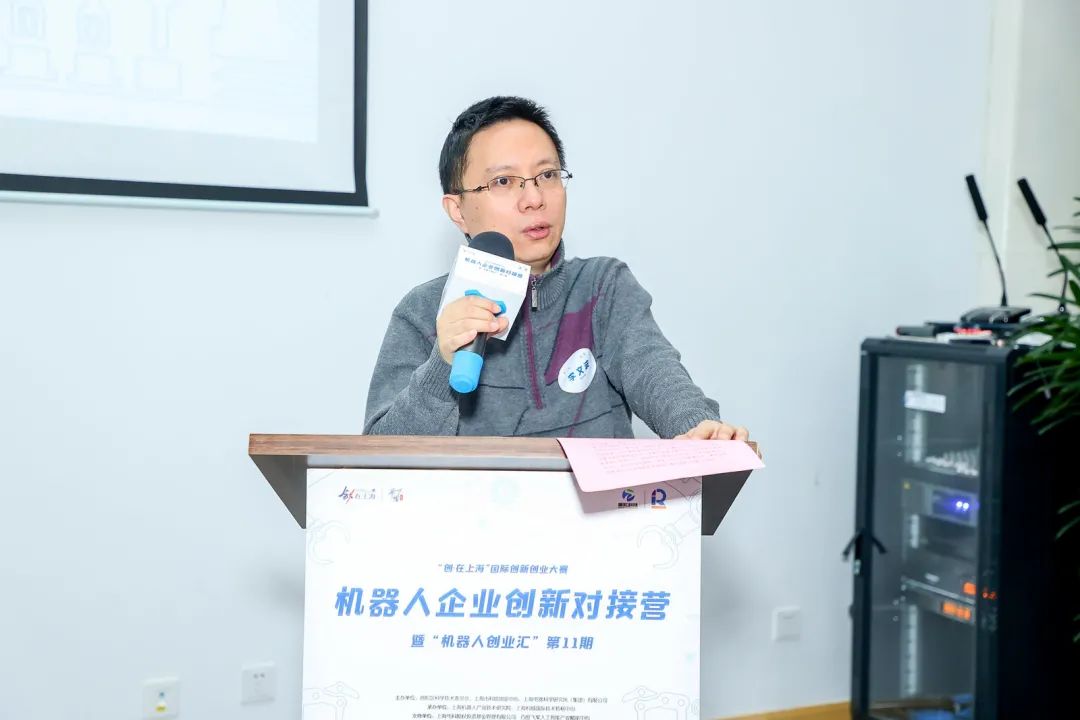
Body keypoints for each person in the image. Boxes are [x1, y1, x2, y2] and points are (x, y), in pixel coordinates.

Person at [364, 96, 749, 442]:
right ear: (457, 210)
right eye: (504, 181)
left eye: (547, 175)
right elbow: (381, 458)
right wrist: (441, 365)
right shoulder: (422, 312)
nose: (534, 198)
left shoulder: (602, 288)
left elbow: (655, 372)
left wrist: (697, 427)